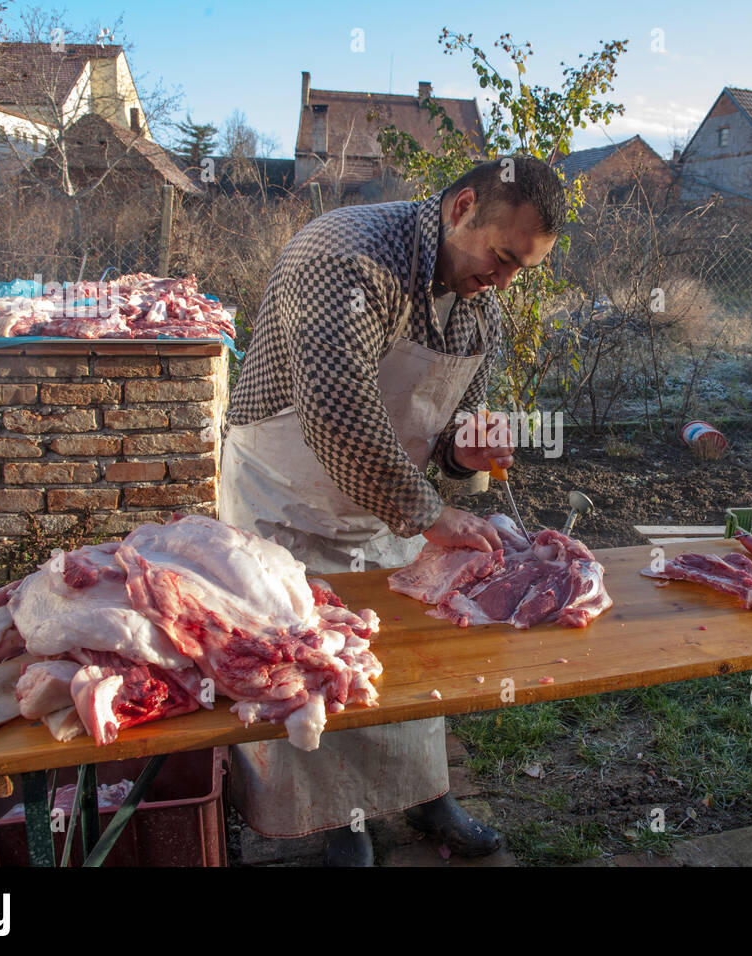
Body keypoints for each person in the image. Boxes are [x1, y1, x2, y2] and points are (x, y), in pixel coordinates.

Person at [219, 156, 565, 866]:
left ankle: (424, 796)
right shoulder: (344, 255)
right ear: (461, 206)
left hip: (389, 509)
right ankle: (335, 822)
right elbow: (339, 414)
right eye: (501, 258)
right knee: (309, 661)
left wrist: (464, 453)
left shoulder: (479, 307)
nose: (503, 282)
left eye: (519, 271)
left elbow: (450, 426)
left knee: (404, 655)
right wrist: (429, 513)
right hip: (287, 497)